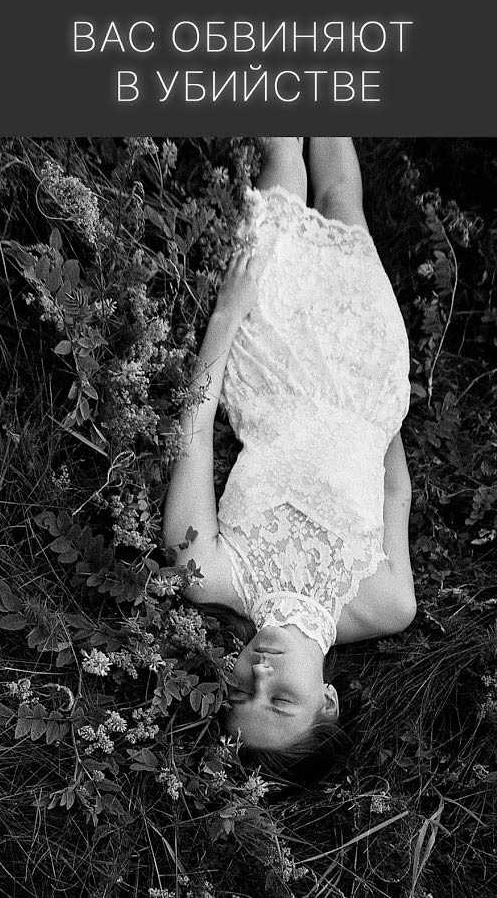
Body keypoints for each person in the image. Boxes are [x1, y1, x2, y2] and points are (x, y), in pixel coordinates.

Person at [163, 137, 416, 784]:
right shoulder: (387, 604)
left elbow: (192, 433)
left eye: (239, 692)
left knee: (281, 165)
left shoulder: (207, 572)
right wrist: (382, 410)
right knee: (341, 199)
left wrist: (227, 314)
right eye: (281, 700)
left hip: (271, 359)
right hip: (365, 376)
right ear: (327, 701)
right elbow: (394, 495)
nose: (260, 672)